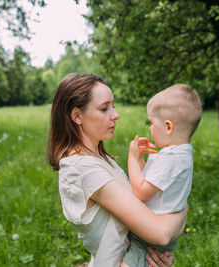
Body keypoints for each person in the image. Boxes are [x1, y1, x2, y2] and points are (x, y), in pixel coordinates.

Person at [46, 73, 189, 267]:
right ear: (77, 116)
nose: (115, 114)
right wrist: (183, 210)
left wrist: (155, 256)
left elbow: (144, 214)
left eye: (113, 106)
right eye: (104, 108)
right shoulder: (83, 169)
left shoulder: (100, 159)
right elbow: (161, 234)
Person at [122, 84, 202, 267]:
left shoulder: (171, 158)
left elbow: (141, 192)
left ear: (168, 127)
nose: (150, 128)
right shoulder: (179, 153)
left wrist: (133, 158)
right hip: (154, 230)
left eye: (151, 123)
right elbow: (147, 182)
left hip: (148, 239)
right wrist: (141, 160)